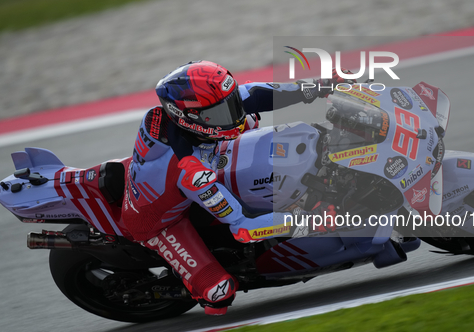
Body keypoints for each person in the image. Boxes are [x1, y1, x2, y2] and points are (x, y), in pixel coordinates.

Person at [121, 60, 346, 315]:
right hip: (157, 222)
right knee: (219, 293)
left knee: (247, 120)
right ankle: (191, 284)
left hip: (187, 168)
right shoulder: (191, 173)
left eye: (229, 103)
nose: (232, 114)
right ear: (188, 117)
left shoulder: (190, 115)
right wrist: (308, 221)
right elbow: (243, 226)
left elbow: (256, 95)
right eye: (219, 112)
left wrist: (322, 86)